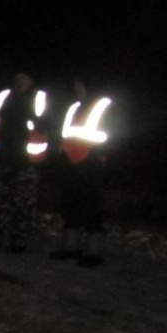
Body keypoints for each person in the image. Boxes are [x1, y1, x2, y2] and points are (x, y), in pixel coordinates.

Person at [0, 69, 49, 253]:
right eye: (17, 77)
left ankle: (18, 241)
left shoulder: (39, 98)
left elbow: (46, 124)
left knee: (23, 204)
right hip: (2, 157)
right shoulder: (4, 96)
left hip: (27, 162)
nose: (20, 81)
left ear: (31, 80)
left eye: (24, 77)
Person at [48, 78, 112, 267]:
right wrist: (62, 156)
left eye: (80, 84)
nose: (77, 88)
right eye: (76, 85)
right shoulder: (74, 107)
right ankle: (70, 248)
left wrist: (99, 156)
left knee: (92, 208)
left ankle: (93, 253)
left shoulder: (104, 105)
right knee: (70, 206)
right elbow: (65, 134)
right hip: (70, 163)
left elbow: (113, 135)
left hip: (91, 164)